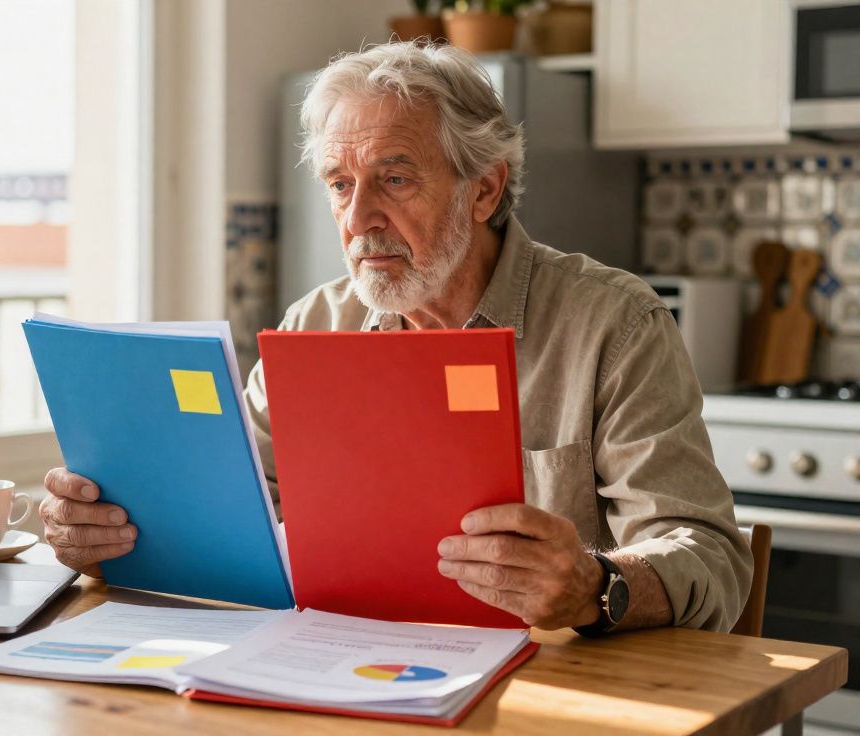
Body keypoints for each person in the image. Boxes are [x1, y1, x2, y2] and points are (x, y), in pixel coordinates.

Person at [39, 41, 752, 634]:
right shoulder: (314, 325)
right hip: (346, 673)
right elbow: (223, 511)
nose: (359, 219)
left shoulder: (616, 326)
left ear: (484, 190)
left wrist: (598, 585)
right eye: (340, 185)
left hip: (558, 693)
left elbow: (712, 559)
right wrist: (110, 535)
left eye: (395, 178)